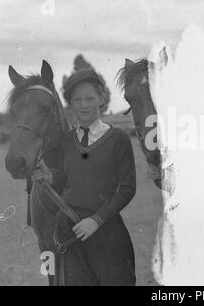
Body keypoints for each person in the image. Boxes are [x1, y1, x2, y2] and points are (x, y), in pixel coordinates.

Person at [32, 69, 137, 286]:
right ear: (70, 104)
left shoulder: (118, 138)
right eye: (77, 100)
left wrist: (95, 221)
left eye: (90, 98)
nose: (84, 105)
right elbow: (65, 180)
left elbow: (127, 188)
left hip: (107, 233)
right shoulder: (67, 141)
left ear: (102, 99)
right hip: (69, 236)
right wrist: (49, 177)